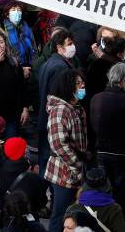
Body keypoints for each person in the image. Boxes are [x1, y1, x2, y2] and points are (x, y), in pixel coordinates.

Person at [90, 62, 125, 208]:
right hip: (122, 153)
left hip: (101, 150)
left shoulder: (96, 99)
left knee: (103, 189)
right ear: (124, 80)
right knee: (120, 192)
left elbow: (94, 124)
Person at [44, 69, 88, 232]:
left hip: (73, 171)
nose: (82, 86)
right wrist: (76, 163)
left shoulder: (76, 108)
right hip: (64, 172)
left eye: (82, 82)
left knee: (71, 214)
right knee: (61, 215)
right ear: (68, 86)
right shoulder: (61, 110)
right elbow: (58, 143)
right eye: (78, 83)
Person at [37, 28, 76, 175]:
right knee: (51, 161)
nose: (73, 47)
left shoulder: (48, 64)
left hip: (44, 118)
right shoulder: (60, 67)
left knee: (44, 159)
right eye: (69, 43)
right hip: (54, 121)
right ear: (60, 47)